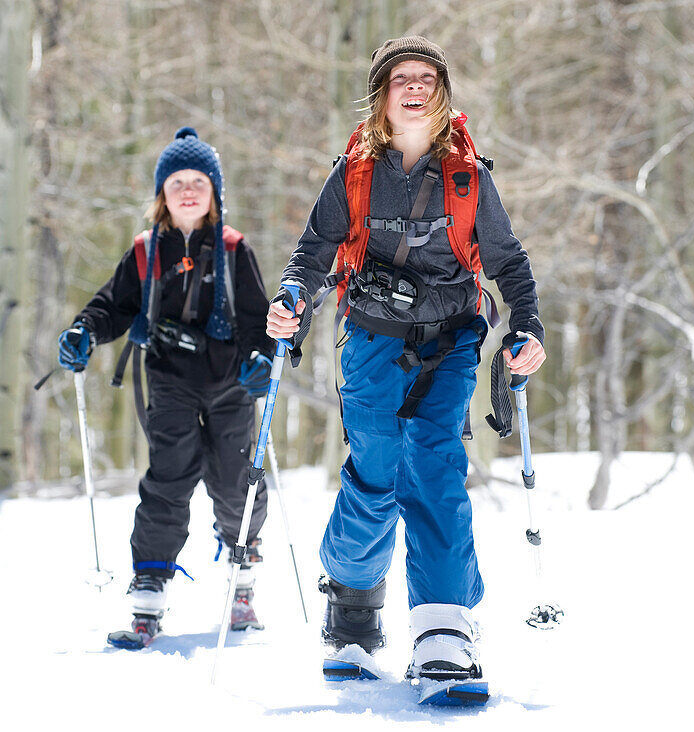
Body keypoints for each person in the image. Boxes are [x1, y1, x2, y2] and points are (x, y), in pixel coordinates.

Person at [266, 37, 547, 685]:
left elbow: (508, 263)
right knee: (376, 471)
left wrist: (526, 328)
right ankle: (354, 607)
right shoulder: (354, 173)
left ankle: (443, 625)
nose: (414, 87)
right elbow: (315, 253)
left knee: (435, 464)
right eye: (401, 79)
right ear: (382, 95)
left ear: (442, 93)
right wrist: (292, 299)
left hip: (450, 339)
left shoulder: (470, 177)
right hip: (371, 336)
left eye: (427, 78)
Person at [58, 127, 274, 645]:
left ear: (214, 192)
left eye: (197, 180)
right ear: (161, 194)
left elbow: (259, 321)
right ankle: (150, 584)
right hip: (170, 381)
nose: (187, 190)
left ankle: (243, 573)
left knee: (233, 480)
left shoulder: (232, 249)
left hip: (229, 384)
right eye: (176, 181)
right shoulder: (144, 251)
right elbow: (112, 305)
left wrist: (261, 361)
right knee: (169, 478)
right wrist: (84, 331)